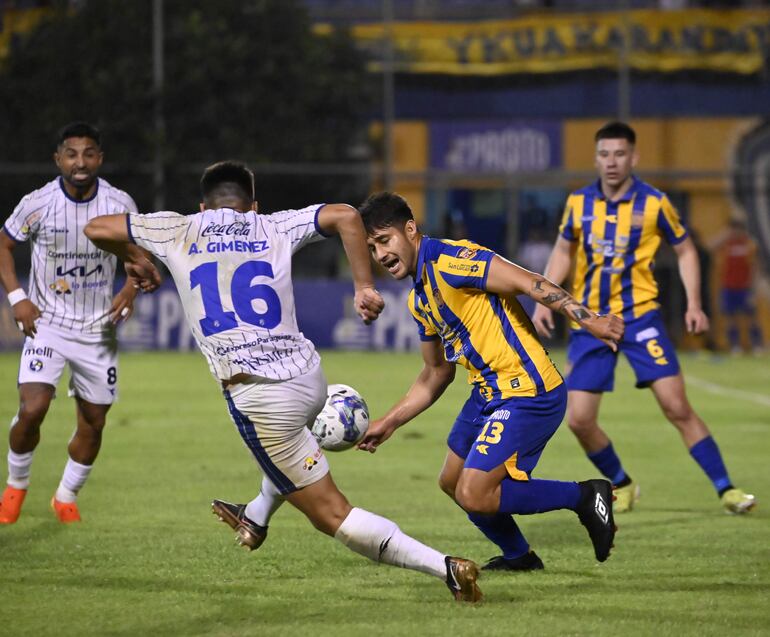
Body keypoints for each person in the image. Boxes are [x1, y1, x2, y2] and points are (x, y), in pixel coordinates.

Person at [83, 160, 483, 603]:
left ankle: (445, 567)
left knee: (332, 515)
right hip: (308, 377)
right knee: (291, 449)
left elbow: (97, 228)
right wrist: (363, 287)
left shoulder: (177, 228)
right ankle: (255, 515)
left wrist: (136, 260)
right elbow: (348, 215)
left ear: (202, 205)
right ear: (253, 205)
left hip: (257, 394)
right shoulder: (272, 225)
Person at [356, 191, 624, 572]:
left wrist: (587, 317)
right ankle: (520, 557)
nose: (380, 255)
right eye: (372, 247)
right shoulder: (420, 299)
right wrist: (389, 422)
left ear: (410, 230)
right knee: (452, 482)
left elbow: (528, 282)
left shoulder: (453, 259)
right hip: (487, 394)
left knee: (475, 493)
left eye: (385, 240)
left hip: (528, 390)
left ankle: (584, 496)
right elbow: (436, 373)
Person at [531, 121, 756, 515]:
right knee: (579, 420)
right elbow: (564, 251)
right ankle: (624, 484)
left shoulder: (654, 203)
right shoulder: (578, 203)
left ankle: (727, 489)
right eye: (604, 154)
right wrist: (543, 300)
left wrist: (694, 303)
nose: (612, 162)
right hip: (592, 322)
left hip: (640, 319)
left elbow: (686, 250)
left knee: (676, 407)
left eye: (620, 154)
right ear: (596, 158)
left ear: (633, 157)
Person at [0, 122, 145, 524]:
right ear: (58, 159)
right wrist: (18, 298)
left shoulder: (119, 204)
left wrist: (130, 290)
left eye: (89, 153)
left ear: (100, 157)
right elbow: (3, 243)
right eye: (71, 154)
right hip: (46, 323)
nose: (80, 162)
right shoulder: (39, 203)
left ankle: (65, 496)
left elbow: (139, 256)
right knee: (33, 408)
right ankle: (15, 486)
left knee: (94, 421)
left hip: (97, 330)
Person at [709, 219, 764, 355]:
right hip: (728, 287)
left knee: (752, 317)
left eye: (737, 229)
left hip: (745, 287)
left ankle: (757, 345)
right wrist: (724, 235)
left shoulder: (749, 243)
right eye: (733, 230)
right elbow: (710, 247)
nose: (735, 233)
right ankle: (735, 346)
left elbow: (755, 267)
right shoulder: (726, 243)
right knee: (730, 318)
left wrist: (753, 288)